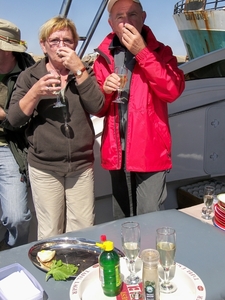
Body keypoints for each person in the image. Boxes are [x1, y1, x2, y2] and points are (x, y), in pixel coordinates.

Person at [8, 17, 105, 240]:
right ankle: (51, 272)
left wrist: (79, 70)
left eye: (67, 41)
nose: (61, 46)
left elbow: (97, 107)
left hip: (81, 166)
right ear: (43, 45)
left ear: (75, 45)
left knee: (83, 229)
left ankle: (76, 271)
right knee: (50, 231)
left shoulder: (84, 71)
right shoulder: (30, 76)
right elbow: (13, 119)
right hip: (45, 167)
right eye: (54, 40)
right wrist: (35, 93)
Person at [93, 0, 185, 218]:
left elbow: (172, 90)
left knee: (150, 218)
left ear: (143, 18)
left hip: (150, 151)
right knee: (122, 220)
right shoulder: (102, 58)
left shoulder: (162, 52)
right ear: (111, 23)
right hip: (117, 151)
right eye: (120, 16)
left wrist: (142, 52)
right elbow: (98, 109)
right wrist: (105, 91)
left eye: (132, 14)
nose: (126, 21)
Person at [0, 19, 34, 249]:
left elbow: (28, 121)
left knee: (17, 217)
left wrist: (3, 116)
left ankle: (14, 254)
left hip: (9, 146)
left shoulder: (30, 75)